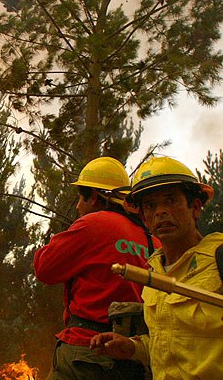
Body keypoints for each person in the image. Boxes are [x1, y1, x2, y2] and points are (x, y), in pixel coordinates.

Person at [90, 156, 223, 380]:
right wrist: (133, 348)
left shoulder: (218, 258)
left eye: (171, 200)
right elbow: (170, 341)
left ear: (196, 207)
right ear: (143, 217)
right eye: (150, 206)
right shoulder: (152, 272)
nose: (160, 211)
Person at [34, 157, 159, 380]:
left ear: (93, 196)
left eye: (81, 197)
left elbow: (45, 268)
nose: (77, 206)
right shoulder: (152, 239)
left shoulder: (93, 224)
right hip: (135, 357)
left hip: (86, 353)